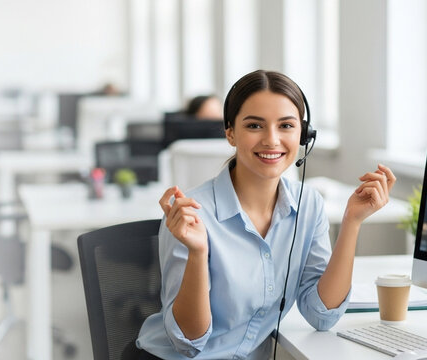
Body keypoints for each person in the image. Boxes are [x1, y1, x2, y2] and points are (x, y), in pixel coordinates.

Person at [136, 70, 396, 359]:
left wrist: (352, 222)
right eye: (255, 126)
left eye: (286, 125)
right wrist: (198, 253)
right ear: (230, 132)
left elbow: (321, 315)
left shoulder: (308, 205)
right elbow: (188, 343)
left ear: (303, 135)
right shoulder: (193, 212)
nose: (272, 140)